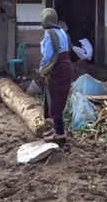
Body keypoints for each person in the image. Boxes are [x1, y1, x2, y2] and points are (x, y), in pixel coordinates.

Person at [39, 8, 73, 145]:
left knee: (55, 101)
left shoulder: (49, 33)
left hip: (57, 69)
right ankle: (57, 128)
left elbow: (48, 55)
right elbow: (68, 48)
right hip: (66, 66)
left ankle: (59, 135)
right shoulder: (62, 31)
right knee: (58, 100)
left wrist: (42, 68)